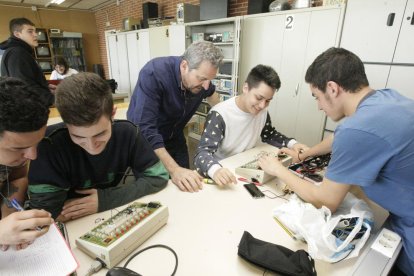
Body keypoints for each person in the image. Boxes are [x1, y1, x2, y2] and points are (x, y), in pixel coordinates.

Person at [257, 47, 414, 275]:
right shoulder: (386, 98)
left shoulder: (357, 128)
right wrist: (307, 153)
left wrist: (278, 170)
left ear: (332, 88)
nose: (319, 106)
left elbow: (326, 201)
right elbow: (340, 136)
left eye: (317, 97)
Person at [28, 73, 169, 222]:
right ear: (65, 122)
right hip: (70, 227)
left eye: (100, 134)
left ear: (112, 114)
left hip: (105, 216)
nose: (92, 146)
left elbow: (158, 177)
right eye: (79, 137)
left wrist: (106, 199)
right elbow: (45, 216)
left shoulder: (128, 133)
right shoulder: (49, 145)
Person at [127, 41, 224, 193]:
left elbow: (212, 95)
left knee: (187, 184)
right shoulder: (154, 73)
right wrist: (174, 170)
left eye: (210, 79)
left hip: (174, 135)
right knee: (156, 189)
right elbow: (145, 129)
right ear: (184, 66)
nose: (206, 86)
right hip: (145, 141)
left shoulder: (202, 81)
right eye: (202, 79)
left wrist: (223, 117)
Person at [194, 65, 307, 186]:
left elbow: (269, 135)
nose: (262, 105)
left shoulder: (262, 112)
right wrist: (215, 170)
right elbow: (202, 154)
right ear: (246, 88)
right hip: (223, 173)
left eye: (268, 100)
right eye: (259, 97)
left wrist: (293, 144)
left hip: (245, 168)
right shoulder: (219, 114)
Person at [0, 77, 54, 251]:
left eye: (36, 143)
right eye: (19, 148)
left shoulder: (16, 155)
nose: (32, 155)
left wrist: (10, 215)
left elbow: (18, 177)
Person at [0, 18, 55, 107]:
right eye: (30, 31)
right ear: (17, 34)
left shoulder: (16, 51)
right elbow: (24, 85)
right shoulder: (18, 53)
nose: (36, 35)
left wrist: (45, 86)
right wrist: (53, 99)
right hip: (26, 111)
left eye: (35, 31)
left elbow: (25, 79)